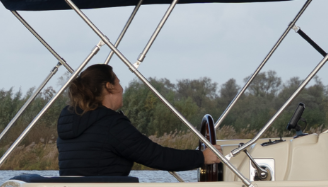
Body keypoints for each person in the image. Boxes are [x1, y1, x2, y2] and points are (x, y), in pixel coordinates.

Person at [56, 64, 221, 176]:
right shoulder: (110, 124)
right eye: (118, 82)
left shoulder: (69, 122)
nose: (122, 88)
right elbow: (155, 155)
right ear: (109, 87)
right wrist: (202, 157)